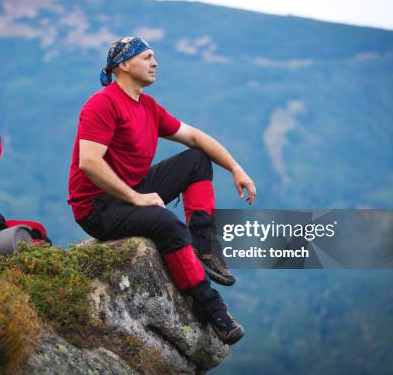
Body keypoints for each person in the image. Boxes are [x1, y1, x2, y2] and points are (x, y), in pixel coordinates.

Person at [67, 37, 256, 345]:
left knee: (197, 160)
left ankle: (203, 247)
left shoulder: (148, 107)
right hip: (97, 207)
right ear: (124, 65)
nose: (155, 63)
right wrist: (136, 198)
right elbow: (89, 162)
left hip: (129, 191)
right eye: (148, 57)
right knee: (167, 224)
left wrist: (235, 168)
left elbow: (194, 137)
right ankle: (212, 308)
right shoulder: (102, 103)